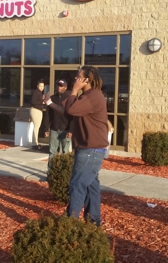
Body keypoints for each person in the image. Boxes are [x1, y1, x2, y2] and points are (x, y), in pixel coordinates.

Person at [64, 65, 108, 227]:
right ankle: (93, 223)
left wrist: (74, 90)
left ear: (87, 79)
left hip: (90, 150)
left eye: (78, 77)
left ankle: (69, 224)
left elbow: (71, 110)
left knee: (77, 185)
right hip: (91, 149)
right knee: (91, 187)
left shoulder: (92, 96)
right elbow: (68, 110)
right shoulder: (89, 96)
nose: (76, 79)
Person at [44, 79, 72, 171]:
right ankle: (50, 173)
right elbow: (47, 115)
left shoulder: (69, 99)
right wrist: (46, 128)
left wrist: (71, 130)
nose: (59, 87)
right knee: (52, 152)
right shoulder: (51, 99)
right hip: (54, 129)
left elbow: (72, 117)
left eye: (61, 85)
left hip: (65, 130)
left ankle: (65, 174)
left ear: (65, 87)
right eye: (58, 85)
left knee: (66, 153)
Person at [29, 79, 45, 149]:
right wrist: (42, 102)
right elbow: (33, 102)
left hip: (38, 110)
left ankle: (35, 142)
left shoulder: (40, 93)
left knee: (37, 127)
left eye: (43, 86)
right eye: (40, 86)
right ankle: (35, 143)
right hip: (35, 110)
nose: (41, 87)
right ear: (37, 86)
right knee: (36, 127)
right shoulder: (36, 92)